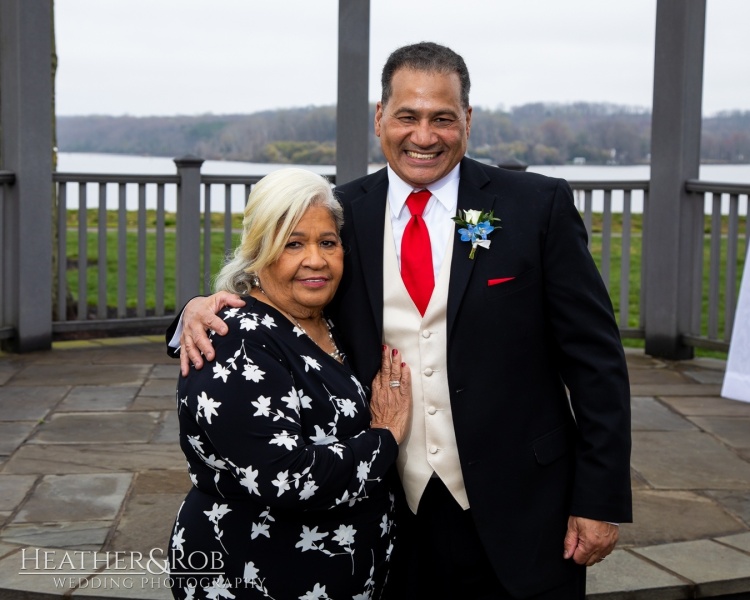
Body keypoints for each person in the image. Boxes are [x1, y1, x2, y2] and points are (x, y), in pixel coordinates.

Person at [170, 43, 632, 599]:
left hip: (524, 506)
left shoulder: (536, 207)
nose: (424, 135)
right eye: (407, 116)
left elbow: (596, 363)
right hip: (387, 510)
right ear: (380, 118)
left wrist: (598, 500)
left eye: (442, 117)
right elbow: (283, 280)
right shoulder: (342, 213)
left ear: (468, 119)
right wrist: (200, 307)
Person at [167, 168, 412, 600]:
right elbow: (289, 476)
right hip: (254, 575)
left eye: (328, 243)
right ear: (258, 253)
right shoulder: (233, 341)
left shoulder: (328, 319)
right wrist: (385, 436)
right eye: (293, 244)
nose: (315, 259)